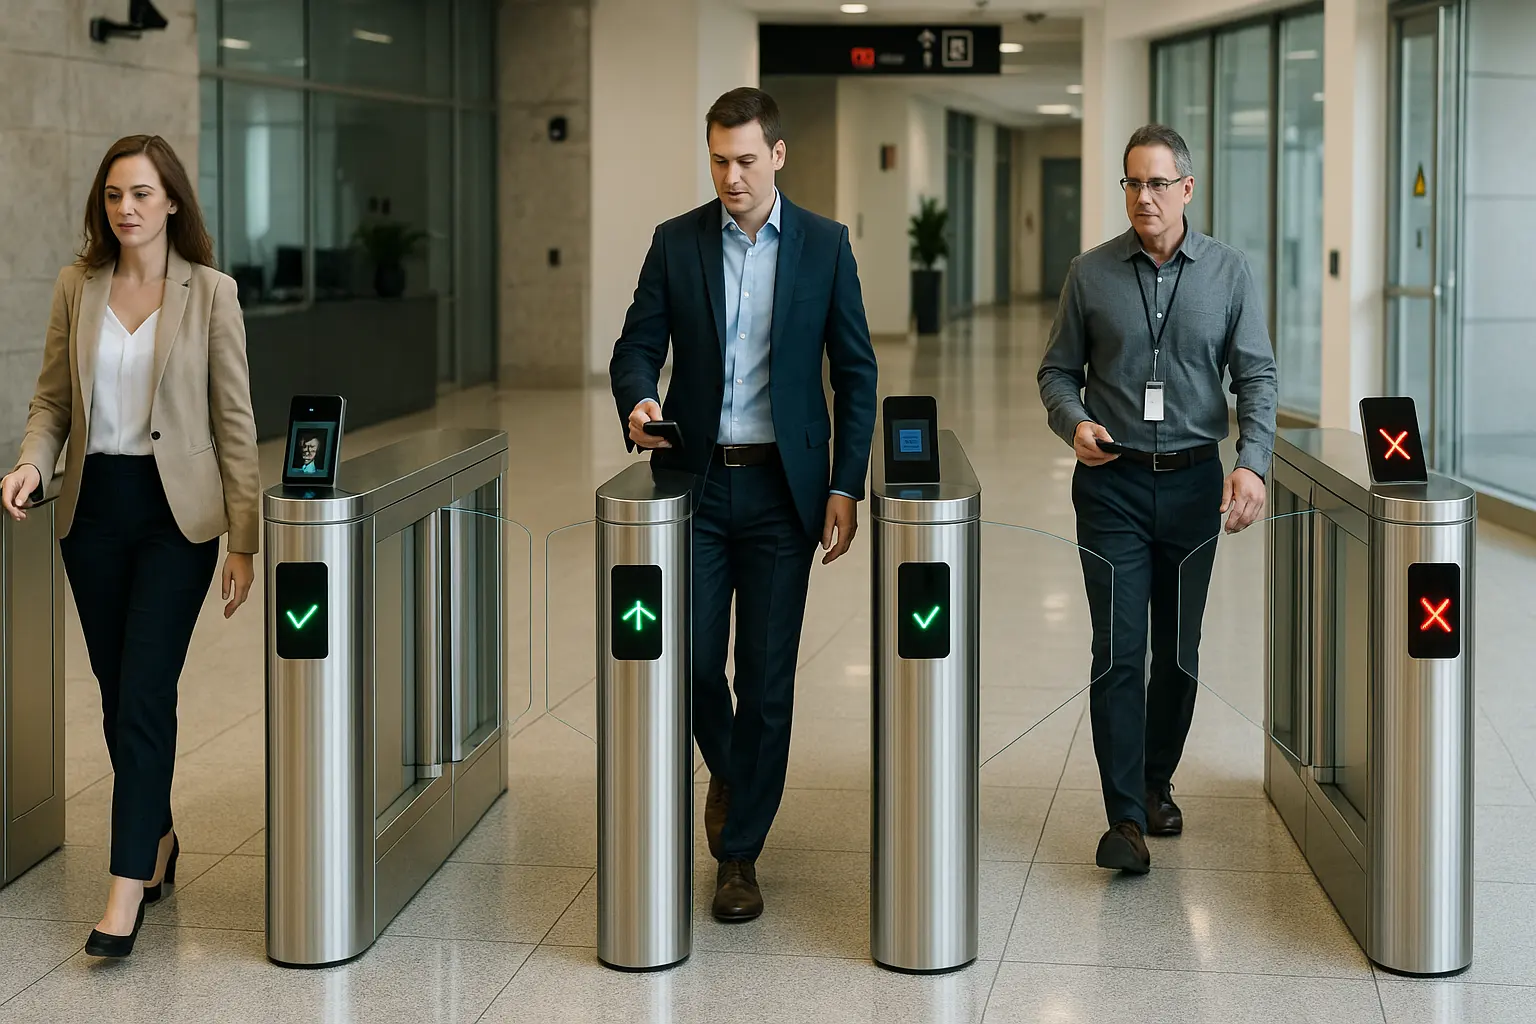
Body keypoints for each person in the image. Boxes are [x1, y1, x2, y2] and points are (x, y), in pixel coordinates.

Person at [610, 87, 878, 922]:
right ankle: (731, 766)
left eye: (746, 160)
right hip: (693, 483)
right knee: (688, 662)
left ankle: (739, 855)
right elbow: (637, 346)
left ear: (779, 155)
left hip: (782, 492)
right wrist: (637, 401)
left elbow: (856, 373)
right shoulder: (675, 242)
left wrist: (844, 482)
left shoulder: (825, 247)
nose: (731, 175)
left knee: (765, 680)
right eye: (720, 159)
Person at [0, 135, 261, 956]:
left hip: (176, 516)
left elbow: (235, 423)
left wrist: (244, 540)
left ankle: (125, 890)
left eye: (143, 194)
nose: (127, 209)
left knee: (146, 688)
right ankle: (159, 835)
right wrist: (29, 464)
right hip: (93, 511)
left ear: (173, 201)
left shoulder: (211, 293)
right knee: (120, 695)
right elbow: (50, 402)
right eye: (115, 195)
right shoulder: (78, 287)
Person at [1037, 124, 1277, 874]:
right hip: (1110, 483)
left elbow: (1258, 378)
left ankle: (1154, 778)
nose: (1143, 197)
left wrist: (1253, 465)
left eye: (1157, 183)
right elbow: (1055, 373)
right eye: (1132, 183)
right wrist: (1073, 423)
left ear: (1187, 189)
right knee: (1119, 651)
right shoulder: (1092, 272)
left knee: (1178, 652)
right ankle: (1127, 820)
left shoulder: (1230, 274)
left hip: (1195, 484)